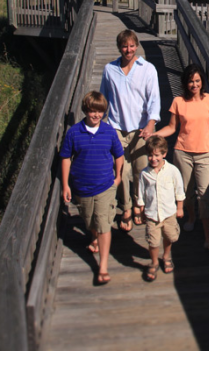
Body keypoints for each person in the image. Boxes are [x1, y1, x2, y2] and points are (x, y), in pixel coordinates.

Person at [152, 64, 209, 249]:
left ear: (202, 82)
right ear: (186, 82)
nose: (194, 85)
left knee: (205, 196)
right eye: (191, 81)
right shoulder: (178, 101)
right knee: (186, 192)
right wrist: (154, 134)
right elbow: (171, 128)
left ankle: (208, 237)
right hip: (183, 153)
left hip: (206, 153)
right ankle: (191, 217)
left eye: (197, 81)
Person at [60, 91, 125, 285]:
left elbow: (119, 154)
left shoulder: (109, 132)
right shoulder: (74, 132)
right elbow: (65, 158)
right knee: (90, 222)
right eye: (92, 111)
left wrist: (118, 176)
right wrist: (65, 185)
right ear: (85, 110)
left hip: (105, 186)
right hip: (82, 187)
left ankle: (103, 267)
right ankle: (94, 236)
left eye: (99, 111)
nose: (96, 115)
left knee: (104, 225)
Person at [100, 29, 161, 233]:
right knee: (121, 170)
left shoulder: (148, 69)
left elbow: (154, 99)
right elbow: (103, 98)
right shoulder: (109, 69)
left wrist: (151, 124)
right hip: (117, 127)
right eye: (125, 46)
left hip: (141, 128)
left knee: (140, 169)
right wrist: (98, 123)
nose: (129, 50)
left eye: (132, 46)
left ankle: (138, 204)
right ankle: (126, 207)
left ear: (137, 46)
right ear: (119, 47)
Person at [136, 136, 184, 282]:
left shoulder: (172, 171)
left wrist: (180, 208)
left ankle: (166, 256)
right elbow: (141, 193)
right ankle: (154, 262)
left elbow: (179, 190)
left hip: (169, 212)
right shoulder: (144, 174)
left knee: (170, 236)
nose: (153, 159)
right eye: (150, 155)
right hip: (152, 214)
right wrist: (141, 210)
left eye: (157, 155)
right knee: (153, 241)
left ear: (164, 154)